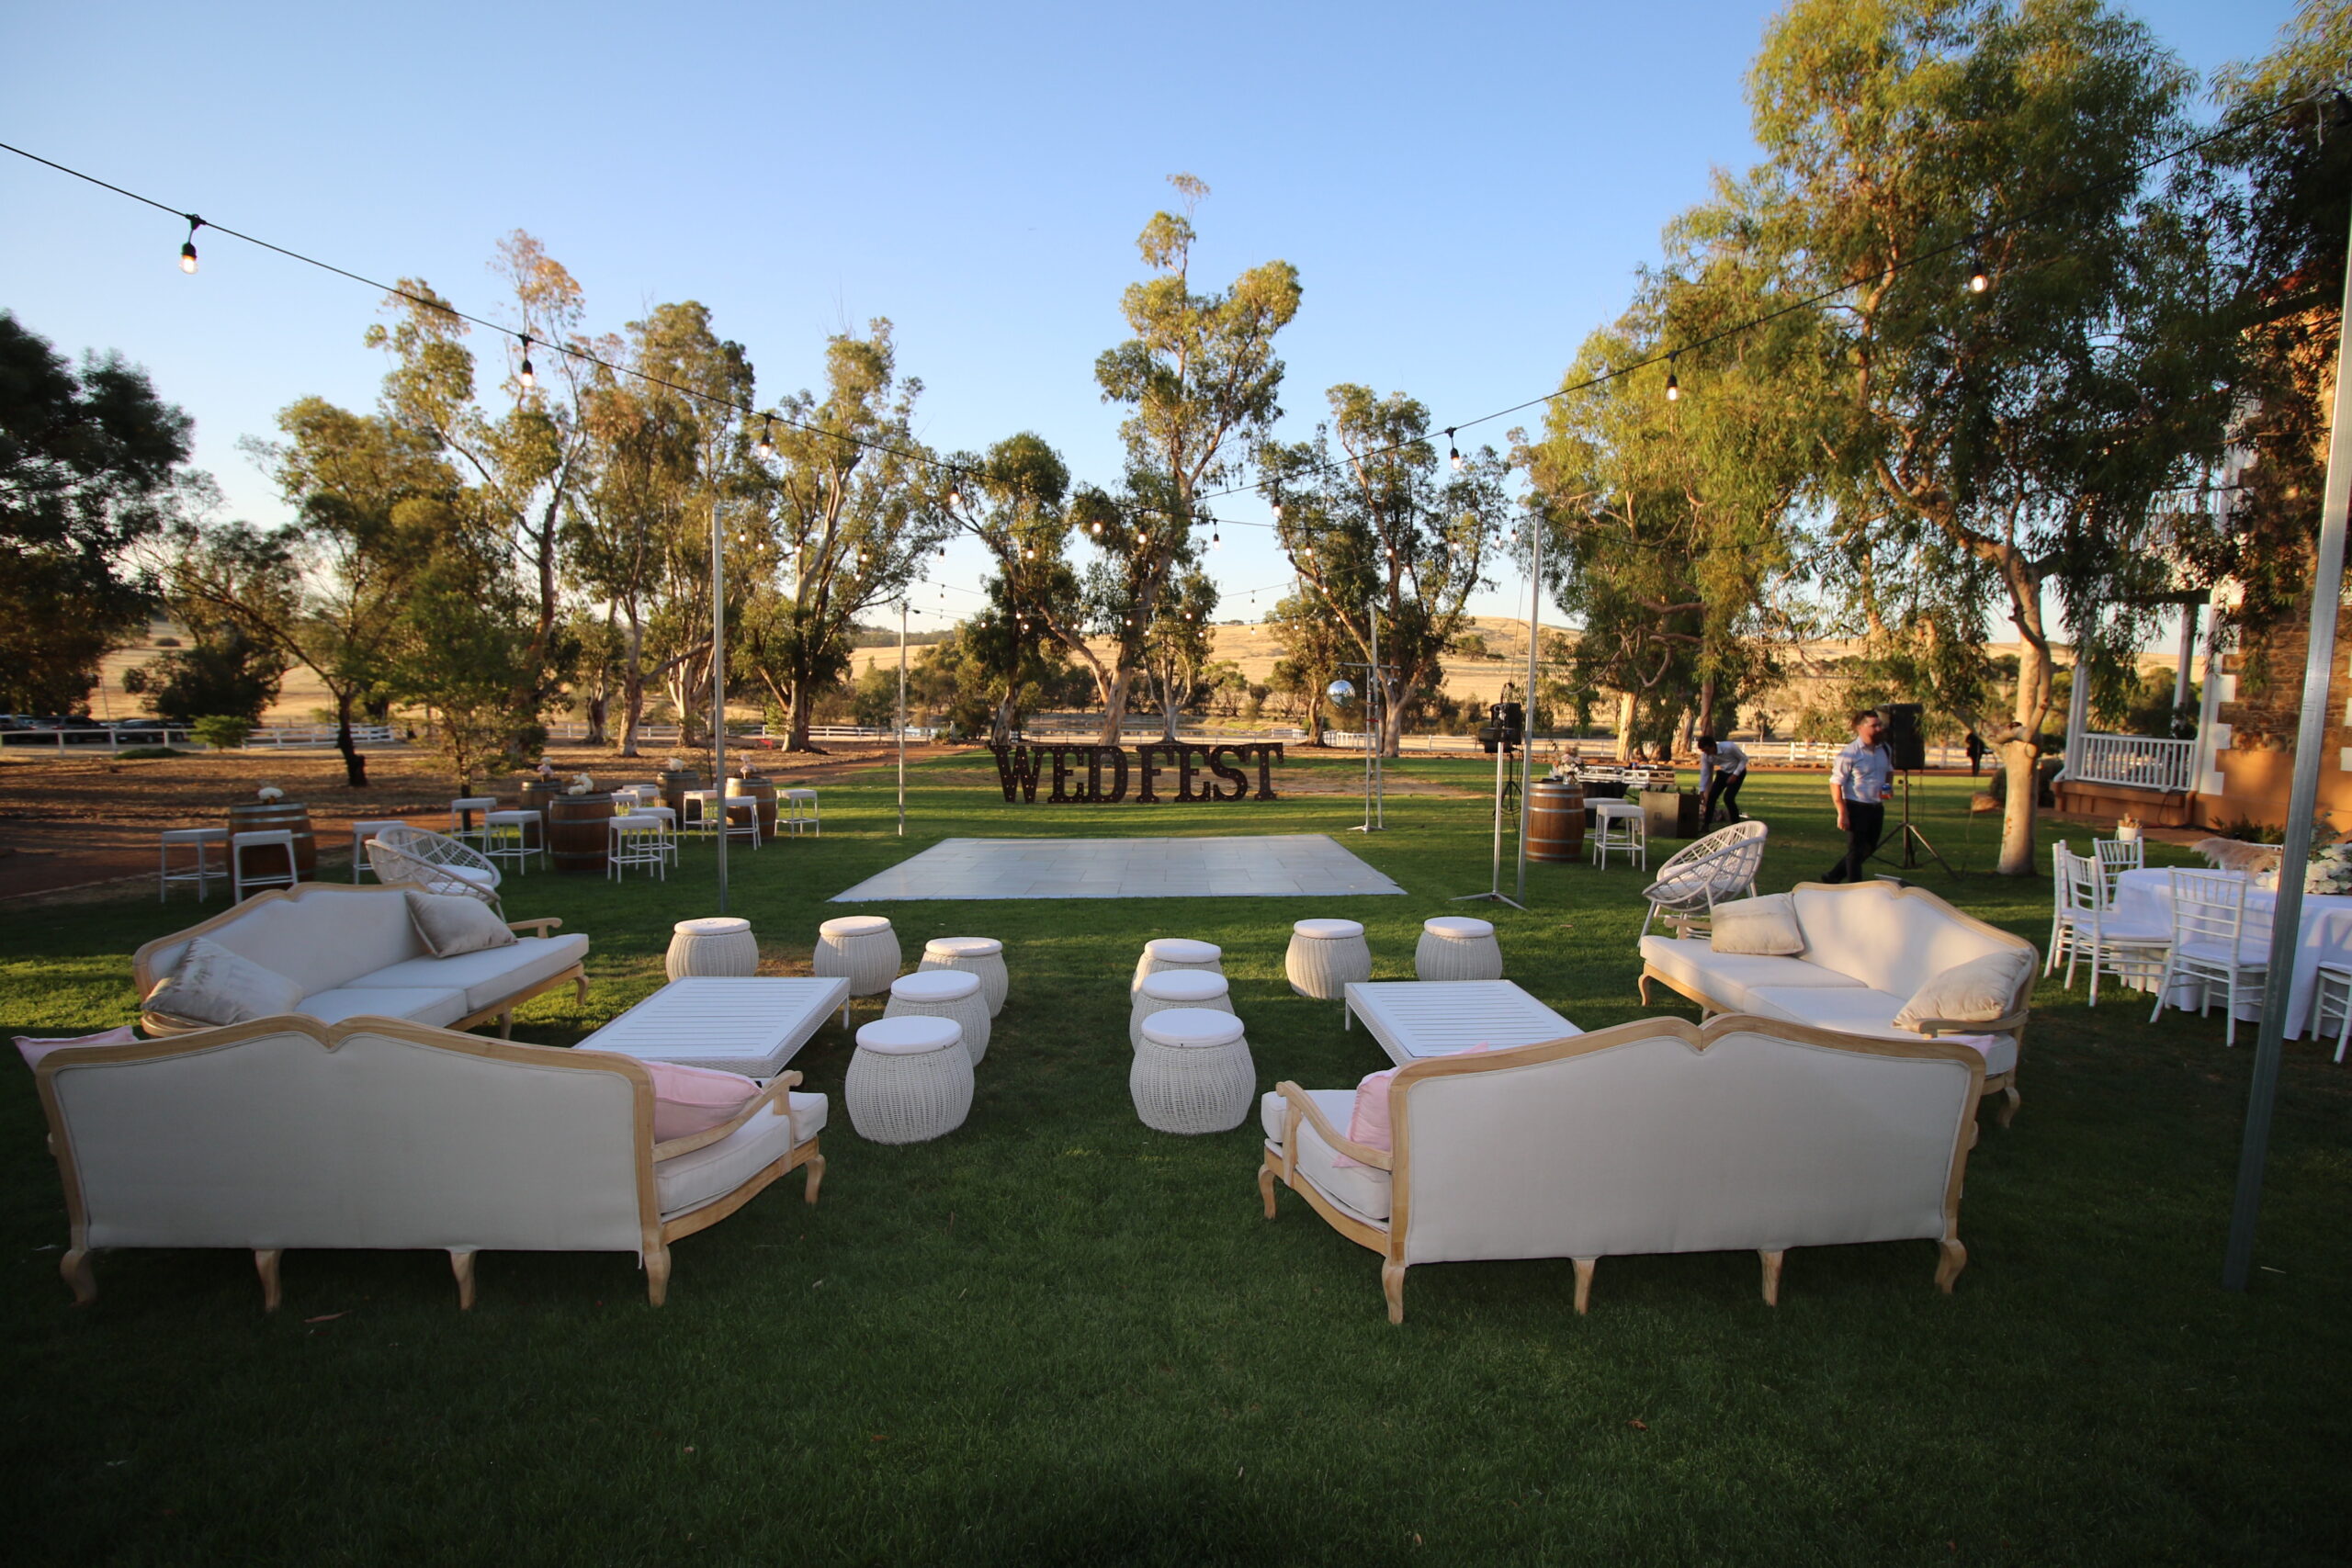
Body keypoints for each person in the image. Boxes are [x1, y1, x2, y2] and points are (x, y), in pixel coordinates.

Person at [1823, 709, 1893, 883]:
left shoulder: (1885, 749)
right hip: (1856, 806)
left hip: (1876, 807)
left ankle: (1833, 876)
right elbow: (1836, 782)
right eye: (1874, 726)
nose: (1879, 729)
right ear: (1860, 728)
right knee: (1856, 849)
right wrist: (1842, 812)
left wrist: (1887, 788)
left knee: (1870, 847)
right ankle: (1855, 886)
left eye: (1879, 725)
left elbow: (1889, 771)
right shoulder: (1850, 753)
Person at [1696, 735, 1748, 828]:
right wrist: (1702, 790)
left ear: (1713, 746)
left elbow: (1744, 759)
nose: (1706, 753)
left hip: (1738, 772)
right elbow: (1705, 772)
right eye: (1703, 751)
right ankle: (1706, 825)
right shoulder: (1705, 756)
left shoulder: (1729, 747)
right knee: (1711, 797)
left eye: (1707, 750)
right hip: (1724, 772)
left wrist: (1735, 775)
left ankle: (1736, 824)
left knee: (1728, 798)